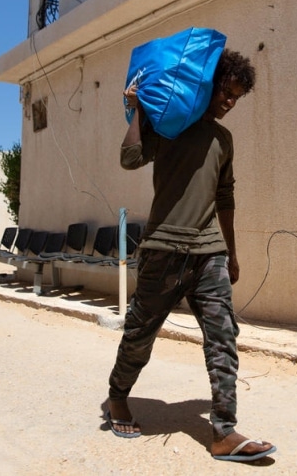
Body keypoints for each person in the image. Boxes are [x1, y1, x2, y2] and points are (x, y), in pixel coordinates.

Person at [104, 49, 277, 463]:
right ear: (209, 83)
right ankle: (117, 397)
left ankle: (224, 431)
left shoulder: (224, 140)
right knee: (139, 335)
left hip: (209, 253)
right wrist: (139, 110)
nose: (229, 103)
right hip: (164, 249)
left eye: (237, 97)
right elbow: (129, 159)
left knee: (223, 338)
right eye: (226, 92)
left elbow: (225, 196)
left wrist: (231, 253)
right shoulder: (170, 124)